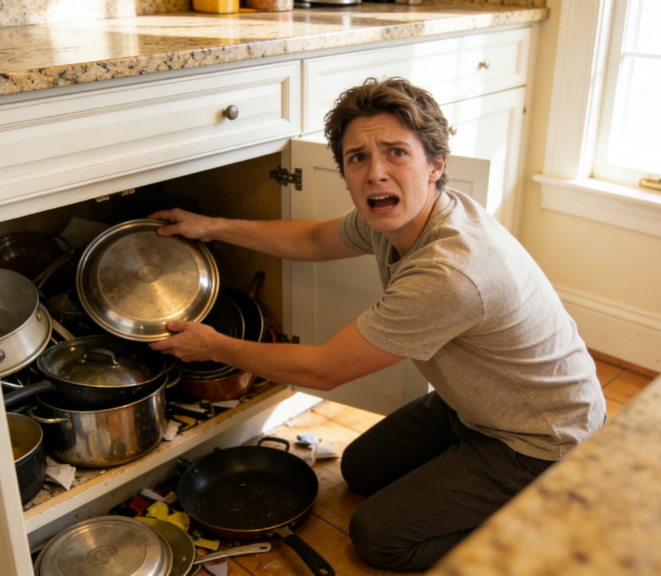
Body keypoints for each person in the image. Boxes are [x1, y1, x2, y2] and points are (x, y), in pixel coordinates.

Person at [148, 77, 606, 571]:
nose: (375, 173)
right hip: (472, 407)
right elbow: (313, 240)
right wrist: (210, 227)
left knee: (379, 538)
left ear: (435, 165)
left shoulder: (449, 272)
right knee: (361, 468)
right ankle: (474, 468)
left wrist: (215, 345)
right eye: (357, 158)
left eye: (395, 153)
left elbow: (324, 371)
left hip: (539, 437)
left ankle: (542, 519)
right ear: (345, 173)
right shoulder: (402, 216)